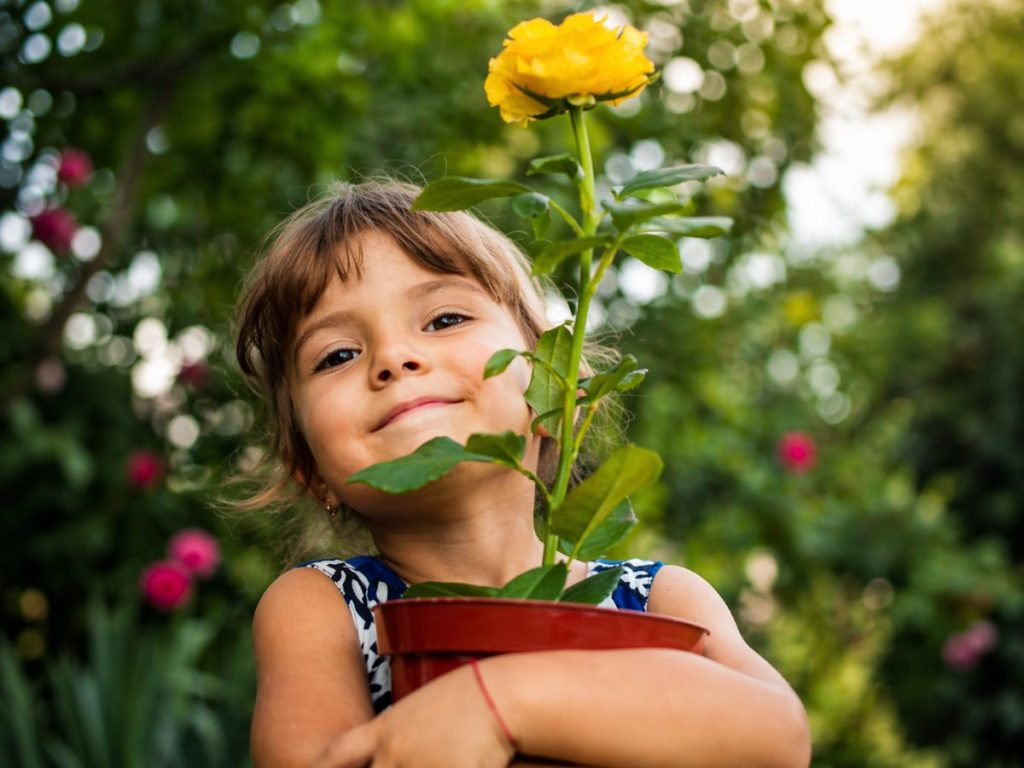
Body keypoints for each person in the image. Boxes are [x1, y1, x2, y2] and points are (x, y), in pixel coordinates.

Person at [238, 180, 811, 768]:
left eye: (443, 319)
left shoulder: (658, 598)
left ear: (554, 393)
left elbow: (778, 736)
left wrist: (504, 704)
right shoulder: (323, 609)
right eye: (336, 355)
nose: (392, 358)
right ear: (311, 471)